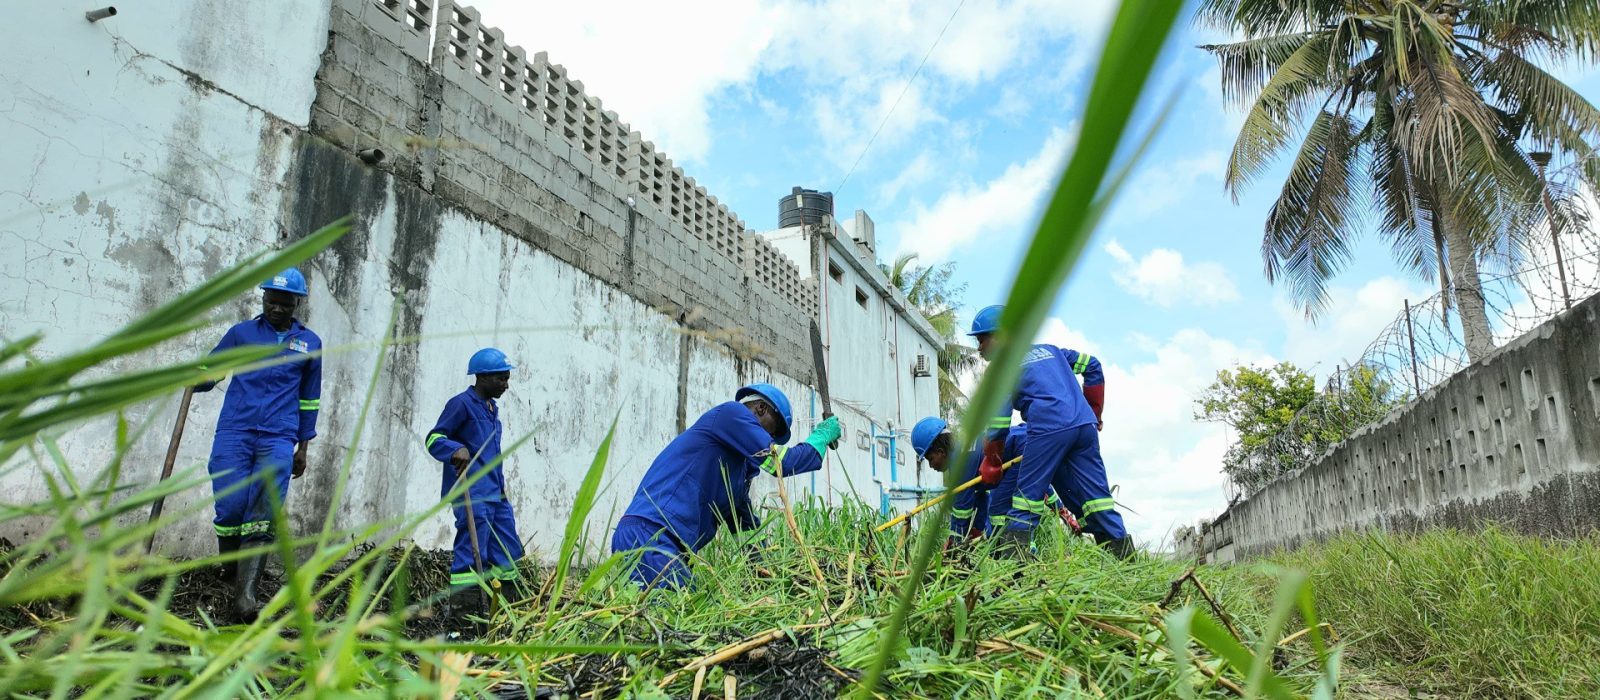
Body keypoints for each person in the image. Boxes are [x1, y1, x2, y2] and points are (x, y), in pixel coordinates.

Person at [612, 383, 842, 589]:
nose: (769, 437)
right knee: (669, 619)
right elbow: (781, 463)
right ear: (761, 408)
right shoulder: (731, 415)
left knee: (683, 612)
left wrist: (770, 577)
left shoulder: (737, 474)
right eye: (772, 430)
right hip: (650, 534)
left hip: (670, 549)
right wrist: (819, 439)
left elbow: (746, 529)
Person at [193, 267, 322, 621]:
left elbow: (310, 398)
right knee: (232, 505)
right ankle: (230, 569)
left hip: (279, 436)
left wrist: (303, 448)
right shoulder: (241, 334)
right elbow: (213, 369)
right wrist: (197, 378)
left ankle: (245, 596)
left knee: (264, 510)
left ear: (296, 303)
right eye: (270, 301)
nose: (276, 308)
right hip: (236, 430)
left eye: (284, 303)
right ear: (263, 299)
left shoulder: (309, 343)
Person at [968, 304, 1133, 558]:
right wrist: (1095, 413)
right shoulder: (1051, 351)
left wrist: (992, 461)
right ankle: (1125, 562)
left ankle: (1016, 568)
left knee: (1026, 499)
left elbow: (1000, 423)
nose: (979, 348)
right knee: (1099, 499)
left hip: (1048, 429)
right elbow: (1093, 365)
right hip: (1084, 427)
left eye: (982, 339)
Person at [425, 348, 524, 613]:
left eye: (507, 378)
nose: (506, 384)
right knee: (472, 553)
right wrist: (454, 449)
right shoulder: (460, 404)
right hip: (473, 492)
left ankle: (506, 613)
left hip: (496, 494)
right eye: (501, 379)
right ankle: (464, 616)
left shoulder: (492, 409)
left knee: (508, 551)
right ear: (482, 377)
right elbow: (434, 439)